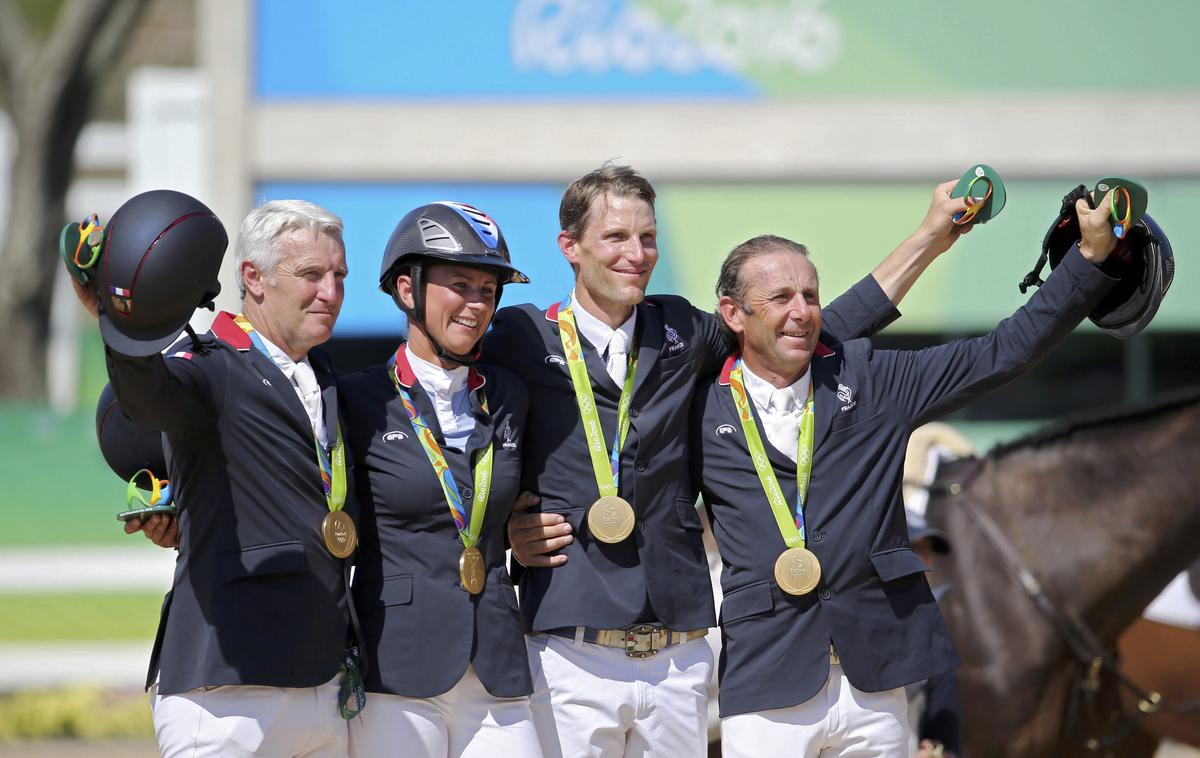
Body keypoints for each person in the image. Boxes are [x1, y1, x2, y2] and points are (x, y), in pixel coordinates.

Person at [485, 163, 973, 757]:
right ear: (570, 247)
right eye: (615, 237)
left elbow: (809, 329)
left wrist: (927, 238)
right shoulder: (519, 337)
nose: (636, 253)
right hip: (567, 645)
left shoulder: (684, 331)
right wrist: (502, 526)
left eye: (647, 237)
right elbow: (455, 429)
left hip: (678, 652)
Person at [688, 187, 1120, 756]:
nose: (802, 311)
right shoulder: (695, 407)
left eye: (811, 295)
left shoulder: (871, 381)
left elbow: (1003, 352)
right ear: (732, 313)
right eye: (780, 297)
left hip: (877, 679)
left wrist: (1086, 262)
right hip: (767, 678)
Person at [74, 195, 357, 757]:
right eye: (311, 274)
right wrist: (122, 322)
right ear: (253, 277)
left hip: (324, 682)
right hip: (227, 690)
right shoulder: (206, 364)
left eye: (338, 275)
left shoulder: (327, 378)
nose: (330, 292)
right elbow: (150, 400)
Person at [338, 202, 542, 757]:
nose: (477, 304)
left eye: (488, 289)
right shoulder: (358, 400)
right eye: (460, 285)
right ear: (408, 289)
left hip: (498, 662)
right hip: (396, 666)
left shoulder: (510, 397)